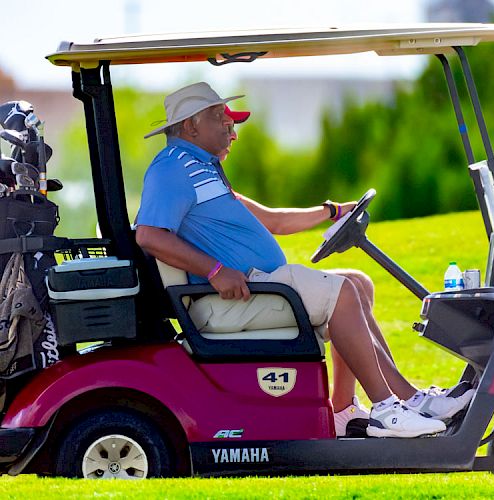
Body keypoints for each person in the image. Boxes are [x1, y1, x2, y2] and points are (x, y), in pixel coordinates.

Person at [136, 82, 474, 439]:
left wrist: (330, 211)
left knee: (358, 283)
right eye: (222, 120)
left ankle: (352, 409)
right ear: (191, 125)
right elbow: (149, 235)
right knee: (341, 292)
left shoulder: (203, 171)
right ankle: (387, 409)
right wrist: (215, 270)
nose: (231, 130)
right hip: (231, 298)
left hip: (256, 286)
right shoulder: (172, 169)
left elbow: (275, 220)